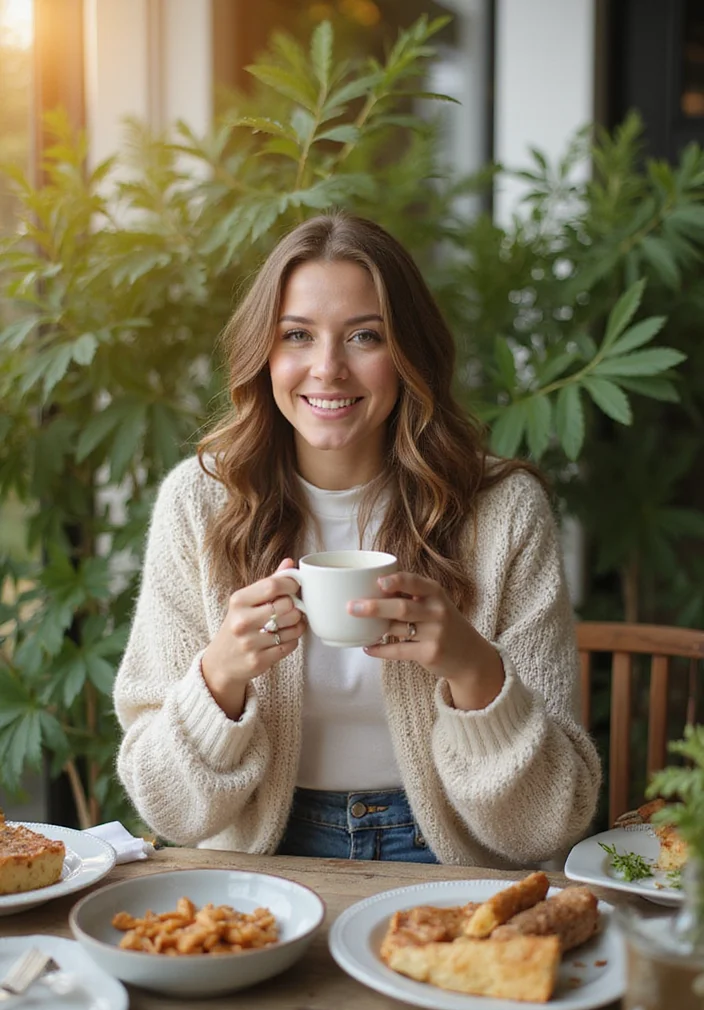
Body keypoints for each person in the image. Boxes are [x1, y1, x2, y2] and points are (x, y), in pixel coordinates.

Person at [114, 212, 601, 866]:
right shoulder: (200, 505)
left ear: (409, 355)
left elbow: (549, 825)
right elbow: (167, 810)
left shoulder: (504, 511)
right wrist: (220, 675)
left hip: (450, 861)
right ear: (264, 354)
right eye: (297, 335)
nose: (328, 369)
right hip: (264, 861)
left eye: (365, 336)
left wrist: (472, 668)